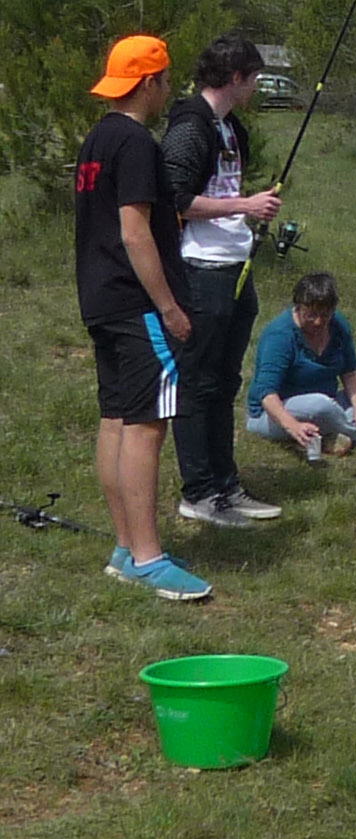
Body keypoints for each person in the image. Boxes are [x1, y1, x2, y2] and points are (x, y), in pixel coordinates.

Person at [76, 34, 211, 600]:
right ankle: (149, 558)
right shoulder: (135, 143)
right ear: (150, 83)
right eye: (165, 80)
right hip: (137, 305)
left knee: (116, 418)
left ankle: (126, 547)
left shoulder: (95, 139)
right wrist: (169, 307)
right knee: (147, 426)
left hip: (100, 299)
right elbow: (135, 231)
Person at [162, 32, 284, 529]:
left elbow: (220, 193)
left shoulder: (231, 128)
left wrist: (250, 211)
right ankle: (199, 492)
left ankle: (226, 484)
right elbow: (176, 199)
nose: (256, 86)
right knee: (198, 384)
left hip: (236, 268)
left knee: (225, 383)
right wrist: (244, 205)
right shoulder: (191, 128)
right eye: (254, 78)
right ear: (235, 78)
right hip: (200, 274)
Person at [246, 272, 356, 456]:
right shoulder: (280, 336)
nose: (319, 322)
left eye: (325, 315)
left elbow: (351, 372)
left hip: (327, 403)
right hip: (276, 413)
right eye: (311, 315)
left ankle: (330, 434)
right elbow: (266, 394)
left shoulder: (338, 325)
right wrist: (293, 426)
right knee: (320, 405)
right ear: (299, 307)